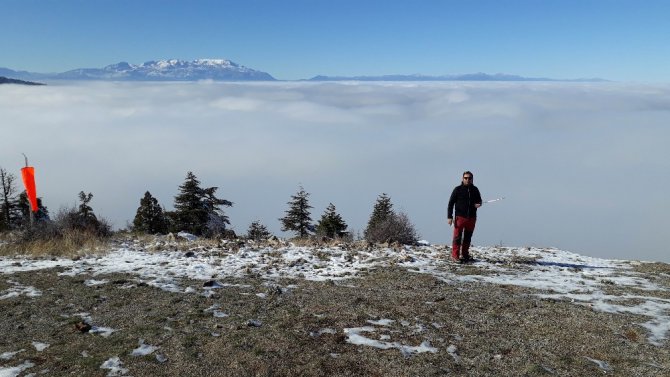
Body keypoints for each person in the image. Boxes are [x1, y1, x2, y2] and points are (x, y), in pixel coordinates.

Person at [447, 171, 482, 263]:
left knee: (468, 237)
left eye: (469, 178)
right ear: (462, 179)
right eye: (466, 178)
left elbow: (479, 201)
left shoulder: (475, 190)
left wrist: (479, 204)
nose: (467, 180)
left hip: (472, 218)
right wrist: (449, 217)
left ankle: (465, 254)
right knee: (457, 237)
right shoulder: (457, 189)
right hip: (460, 217)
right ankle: (455, 256)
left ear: (472, 179)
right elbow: (450, 203)